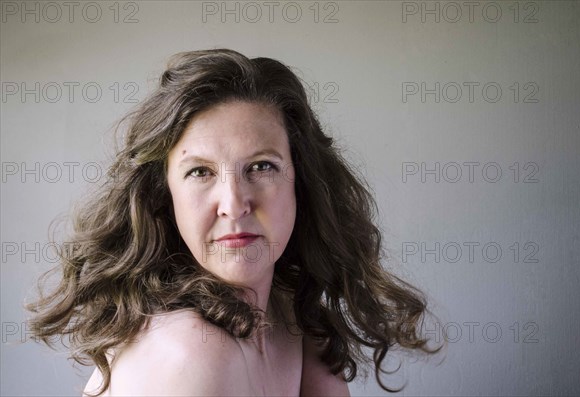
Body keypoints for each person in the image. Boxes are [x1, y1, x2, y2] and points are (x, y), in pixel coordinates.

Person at [27, 49, 444, 396]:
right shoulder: (191, 350)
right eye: (200, 172)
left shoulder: (288, 313)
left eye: (261, 166)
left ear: (302, 183)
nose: (234, 204)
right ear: (163, 196)